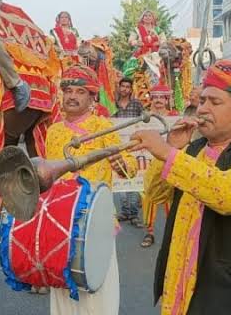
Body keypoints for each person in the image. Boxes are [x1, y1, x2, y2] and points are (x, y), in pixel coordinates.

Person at [132, 60, 231, 315]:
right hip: (182, 285)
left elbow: (227, 195)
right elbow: (156, 194)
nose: (202, 109)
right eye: (202, 101)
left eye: (214, 102)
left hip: (228, 296)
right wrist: (174, 148)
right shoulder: (193, 151)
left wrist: (169, 154)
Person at [44, 65, 138, 315]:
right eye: (68, 91)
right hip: (61, 222)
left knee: (97, 290)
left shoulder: (103, 127)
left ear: (91, 98)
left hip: (97, 223)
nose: (72, 96)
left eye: (80, 91)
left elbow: (130, 168)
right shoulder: (53, 131)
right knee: (63, 287)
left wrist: (121, 164)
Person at [140, 83, 178, 248]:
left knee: (171, 198)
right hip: (148, 164)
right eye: (155, 98)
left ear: (167, 99)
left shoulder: (175, 117)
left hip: (169, 163)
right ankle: (150, 232)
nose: (158, 101)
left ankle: (173, 234)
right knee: (149, 197)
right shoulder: (144, 118)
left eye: (162, 98)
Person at [113, 77, 145, 227]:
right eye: (123, 86)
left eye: (128, 87)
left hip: (133, 145)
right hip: (118, 145)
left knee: (133, 177)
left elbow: (145, 120)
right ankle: (125, 211)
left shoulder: (137, 105)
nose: (125, 89)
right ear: (119, 88)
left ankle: (133, 214)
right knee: (119, 177)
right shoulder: (113, 105)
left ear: (131, 90)